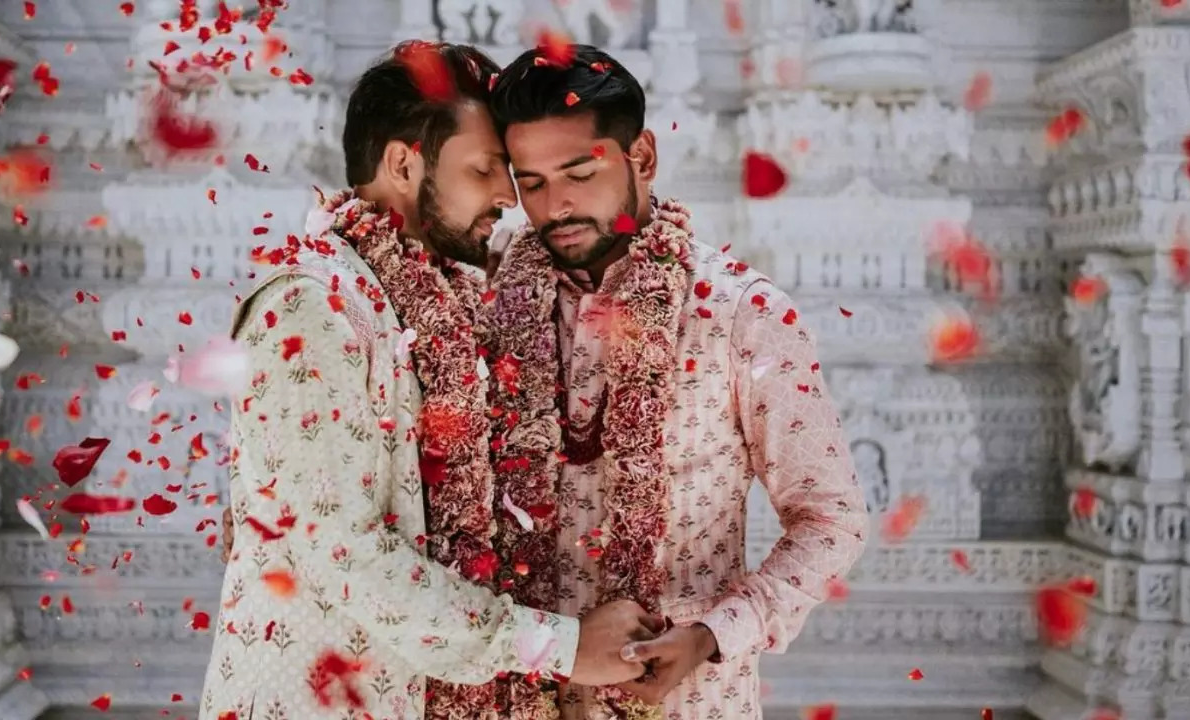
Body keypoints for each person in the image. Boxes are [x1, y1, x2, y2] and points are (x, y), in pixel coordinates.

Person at [199, 41, 660, 720]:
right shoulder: (310, 308)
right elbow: (346, 555)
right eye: (483, 170)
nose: (507, 196)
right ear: (402, 162)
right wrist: (557, 647)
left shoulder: (438, 304)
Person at [479, 44, 871, 719]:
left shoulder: (741, 313)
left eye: (579, 171)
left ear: (643, 157)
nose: (557, 205)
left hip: (688, 700)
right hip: (515, 694)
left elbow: (831, 520)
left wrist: (713, 637)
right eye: (533, 183)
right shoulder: (489, 304)